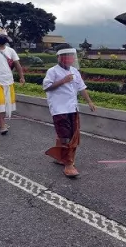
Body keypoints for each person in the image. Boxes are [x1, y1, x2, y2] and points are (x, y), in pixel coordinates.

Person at [42, 44, 96, 178]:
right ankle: (69, 164)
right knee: (66, 136)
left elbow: (81, 87)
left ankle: (60, 157)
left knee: (72, 135)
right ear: (60, 57)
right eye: (67, 56)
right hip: (59, 109)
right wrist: (63, 81)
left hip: (73, 108)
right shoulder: (52, 71)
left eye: (71, 56)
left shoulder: (74, 71)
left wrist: (89, 101)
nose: (70, 59)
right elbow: (46, 87)